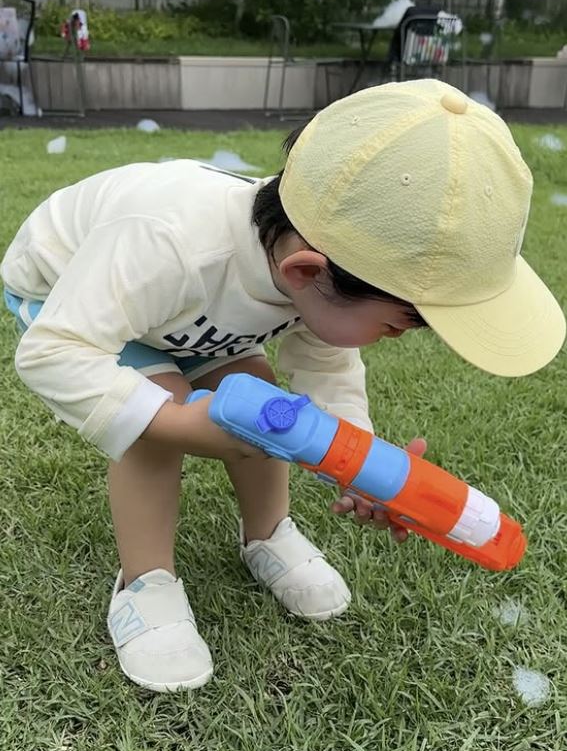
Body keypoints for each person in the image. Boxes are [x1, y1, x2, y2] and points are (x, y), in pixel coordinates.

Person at [1, 79, 564, 693]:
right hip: (72, 300)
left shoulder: (317, 257)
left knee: (261, 394)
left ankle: (267, 534)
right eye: (395, 325)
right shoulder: (170, 243)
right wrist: (178, 422)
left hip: (190, 315)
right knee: (154, 423)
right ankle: (145, 581)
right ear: (305, 273)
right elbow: (54, 351)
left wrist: (358, 460)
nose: (396, 338)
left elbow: (327, 370)